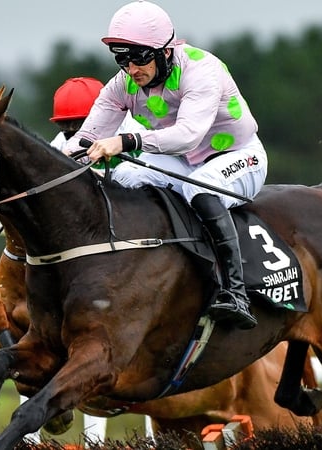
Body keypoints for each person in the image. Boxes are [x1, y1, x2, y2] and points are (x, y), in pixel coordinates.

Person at [65, 0, 267, 330]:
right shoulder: (121, 85)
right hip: (184, 161)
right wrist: (52, 168)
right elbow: (86, 138)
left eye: (140, 57)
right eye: (122, 58)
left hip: (239, 157)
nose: (131, 68)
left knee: (198, 189)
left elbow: (188, 135)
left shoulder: (202, 69)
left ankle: (235, 293)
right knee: (122, 177)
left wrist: (126, 141)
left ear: (166, 51)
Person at [49, 76, 143, 169]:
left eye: (80, 126)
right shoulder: (61, 142)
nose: (74, 138)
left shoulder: (133, 130)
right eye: (65, 129)